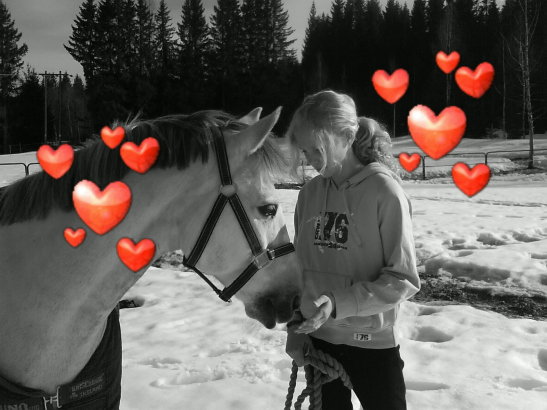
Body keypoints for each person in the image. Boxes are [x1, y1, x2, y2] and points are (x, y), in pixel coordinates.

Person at [285, 90, 420, 410]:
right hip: (319, 344)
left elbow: (402, 279)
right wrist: (295, 327)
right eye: (305, 150)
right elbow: (299, 271)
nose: (309, 160)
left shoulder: (384, 192)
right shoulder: (309, 194)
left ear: (345, 137)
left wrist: (337, 303)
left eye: (317, 149)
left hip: (373, 347)